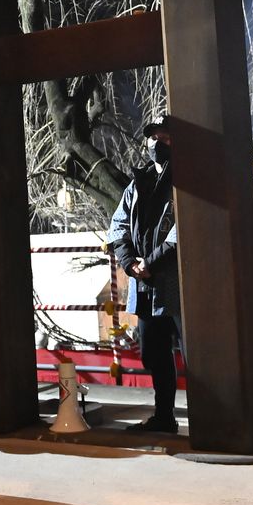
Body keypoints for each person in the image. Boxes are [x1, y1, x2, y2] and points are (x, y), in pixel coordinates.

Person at [107, 115, 182, 433]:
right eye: (152, 137)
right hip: (144, 283)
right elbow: (118, 225)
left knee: (199, 354)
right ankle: (164, 416)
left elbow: (184, 229)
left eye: (165, 137)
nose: (157, 143)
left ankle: (215, 416)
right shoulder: (139, 182)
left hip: (177, 282)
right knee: (153, 352)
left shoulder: (187, 180)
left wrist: (152, 261)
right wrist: (128, 261)